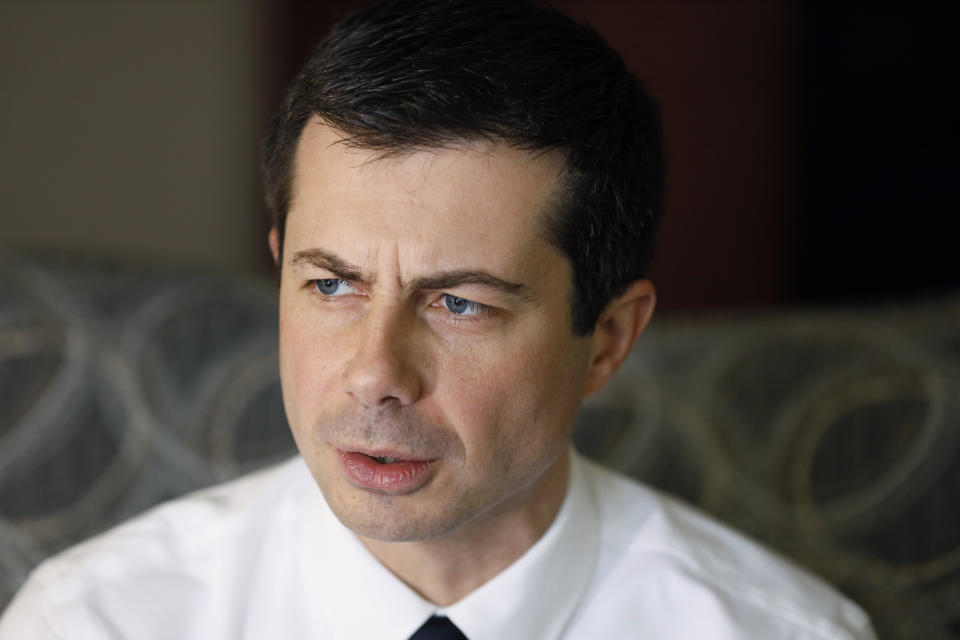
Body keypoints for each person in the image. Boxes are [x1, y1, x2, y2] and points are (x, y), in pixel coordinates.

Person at [0, 0, 876, 638]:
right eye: (332, 286)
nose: (375, 372)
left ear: (608, 340)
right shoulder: (97, 620)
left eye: (458, 303)